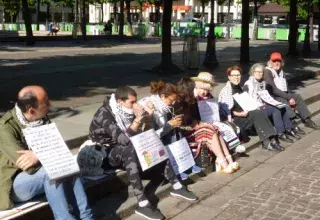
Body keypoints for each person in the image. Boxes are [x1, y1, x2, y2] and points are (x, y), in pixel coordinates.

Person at [89, 86, 197, 220]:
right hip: (103, 153)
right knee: (130, 149)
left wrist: (146, 120)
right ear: (119, 102)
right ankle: (142, 202)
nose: (135, 105)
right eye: (132, 102)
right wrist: (138, 120)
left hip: (122, 148)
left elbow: (142, 135)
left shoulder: (126, 110)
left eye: (136, 101)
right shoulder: (105, 114)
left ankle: (176, 185)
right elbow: (122, 140)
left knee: (153, 143)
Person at [0, 86, 93, 220]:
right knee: (51, 172)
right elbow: (29, 166)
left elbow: (61, 151)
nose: (50, 105)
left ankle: (87, 217)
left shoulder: (41, 119)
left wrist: (38, 155)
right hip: (11, 185)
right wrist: (46, 153)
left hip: (38, 176)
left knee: (70, 166)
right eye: (46, 103)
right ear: (31, 111)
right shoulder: (4, 128)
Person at [139, 81, 202, 181]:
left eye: (175, 100)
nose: (173, 104)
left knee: (177, 131)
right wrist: (169, 125)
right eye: (171, 100)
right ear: (163, 96)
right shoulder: (151, 109)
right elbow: (150, 136)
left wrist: (174, 124)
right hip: (154, 142)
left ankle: (187, 163)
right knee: (172, 133)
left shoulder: (166, 107)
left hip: (167, 136)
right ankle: (178, 168)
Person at [176, 77, 239, 175]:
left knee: (213, 128)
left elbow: (194, 119)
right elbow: (182, 124)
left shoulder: (192, 101)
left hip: (193, 128)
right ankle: (223, 162)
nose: (197, 90)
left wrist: (201, 124)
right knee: (208, 130)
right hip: (185, 132)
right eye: (195, 88)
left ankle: (227, 159)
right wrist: (199, 125)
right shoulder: (179, 103)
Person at [219, 66, 284, 152]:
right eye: (234, 75)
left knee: (259, 111)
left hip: (245, 114)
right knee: (256, 114)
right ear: (229, 77)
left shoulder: (239, 88)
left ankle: (272, 139)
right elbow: (225, 112)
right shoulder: (226, 91)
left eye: (238, 75)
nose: (236, 77)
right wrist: (240, 114)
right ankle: (267, 142)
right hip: (235, 119)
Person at [243, 63, 301, 143]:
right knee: (276, 110)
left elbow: (266, 96)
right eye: (257, 72)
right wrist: (260, 104)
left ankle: (288, 129)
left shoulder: (263, 83)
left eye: (261, 72)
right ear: (253, 72)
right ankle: (280, 132)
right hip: (255, 109)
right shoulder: (248, 84)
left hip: (264, 105)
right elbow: (247, 101)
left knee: (282, 106)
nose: (260, 74)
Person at [190, 72, 246, 153]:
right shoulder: (194, 98)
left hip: (212, 120)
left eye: (206, 90)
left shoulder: (210, 97)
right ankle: (224, 148)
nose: (204, 92)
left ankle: (234, 145)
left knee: (225, 126)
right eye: (202, 89)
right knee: (215, 129)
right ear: (197, 87)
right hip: (199, 122)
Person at [264, 52, 319, 131]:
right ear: (270, 62)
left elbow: (286, 87)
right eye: (274, 61)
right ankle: (292, 123)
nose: (276, 63)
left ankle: (307, 120)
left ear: (281, 62)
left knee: (297, 97)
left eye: (278, 61)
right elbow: (273, 89)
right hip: (272, 97)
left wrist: (290, 97)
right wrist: (289, 98)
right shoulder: (267, 71)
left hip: (282, 94)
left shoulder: (281, 71)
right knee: (283, 101)